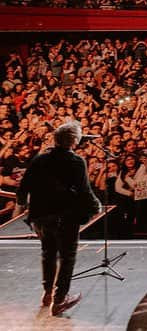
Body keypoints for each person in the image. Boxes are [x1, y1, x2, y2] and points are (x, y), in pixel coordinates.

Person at [13, 121, 100, 316]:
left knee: (48, 253)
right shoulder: (76, 162)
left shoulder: (40, 159)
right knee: (67, 257)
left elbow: (23, 187)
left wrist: (24, 206)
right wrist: (96, 206)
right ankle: (60, 300)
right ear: (75, 141)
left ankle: (47, 294)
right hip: (65, 216)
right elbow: (84, 191)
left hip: (41, 216)